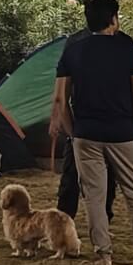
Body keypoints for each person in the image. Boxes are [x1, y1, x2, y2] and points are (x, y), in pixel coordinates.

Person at [54, 0, 133, 265]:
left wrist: (72, 131)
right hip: (122, 132)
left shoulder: (73, 51)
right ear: (114, 18)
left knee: (94, 196)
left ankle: (104, 254)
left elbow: (60, 100)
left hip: (86, 133)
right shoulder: (131, 50)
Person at [50, 14, 117, 224]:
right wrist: (61, 119)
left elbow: (62, 87)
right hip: (90, 121)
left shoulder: (117, 42)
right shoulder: (78, 43)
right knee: (75, 174)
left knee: (103, 175)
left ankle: (99, 219)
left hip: (96, 121)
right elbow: (63, 85)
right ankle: (66, 220)